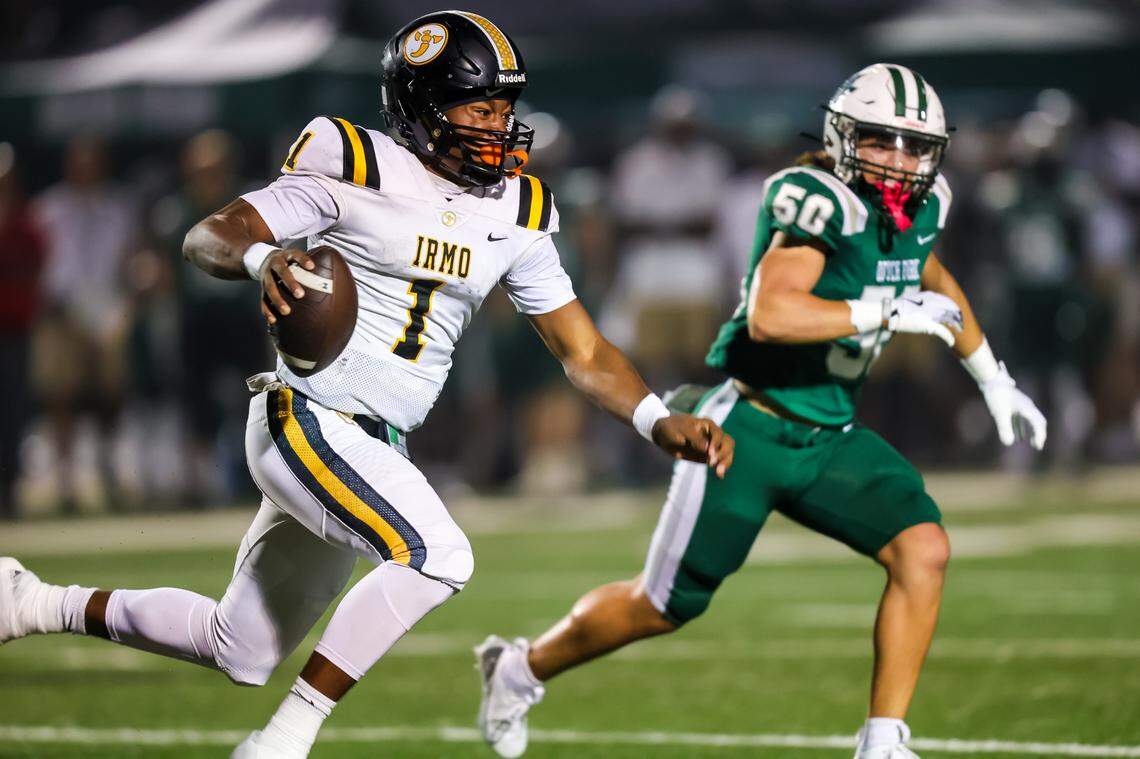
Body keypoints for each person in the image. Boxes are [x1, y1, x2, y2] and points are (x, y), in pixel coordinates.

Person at [0, 11, 734, 759]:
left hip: (378, 441)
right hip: (307, 415)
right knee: (438, 553)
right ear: (420, 110)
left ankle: (32, 600)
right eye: (479, 108)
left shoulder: (517, 209)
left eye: (505, 109)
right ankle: (282, 742)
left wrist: (651, 416)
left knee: (240, 648)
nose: (500, 126)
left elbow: (580, 347)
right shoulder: (354, 163)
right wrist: (263, 261)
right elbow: (212, 232)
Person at [474, 64, 1048, 759]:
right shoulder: (814, 200)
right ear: (842, 137)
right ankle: (517, 667)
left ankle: (884, 741)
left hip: (830, 437)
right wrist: (884, 310)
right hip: (746, 428)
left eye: (914, 146)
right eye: (881, 142)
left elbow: (930, 273)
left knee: (924, 547)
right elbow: (774, 314)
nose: (900, 162)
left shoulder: (926, 207)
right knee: (661, 604)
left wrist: (992, 376)